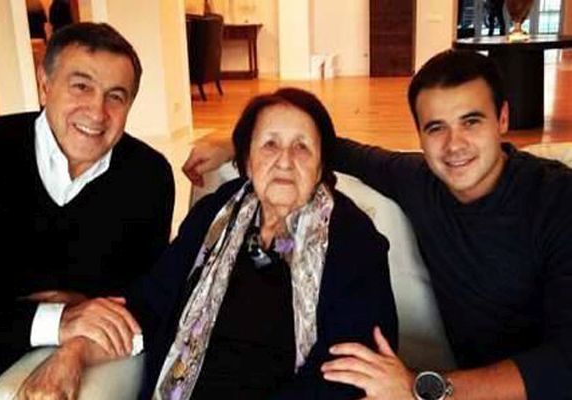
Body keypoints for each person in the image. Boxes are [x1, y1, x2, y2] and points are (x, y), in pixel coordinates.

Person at [182, 50, 572, 399]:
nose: (454, 145)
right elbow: (337, 148)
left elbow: (566, 361)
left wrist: (426, 388)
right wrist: (239, 143)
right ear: (419, 135)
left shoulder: (557, 199)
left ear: (503, 118)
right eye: (436, 127)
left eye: (471, 121)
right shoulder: (419, 179)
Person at [18, 88, 398, 400]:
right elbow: (151, 303)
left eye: (302, 147)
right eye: (269, 144)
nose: (284, 161)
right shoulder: (215, 213)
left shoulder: (353, 237)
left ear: (321, 166)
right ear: (247, 160)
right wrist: (75, 353)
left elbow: (350, 369)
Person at [0, 22, 174, 388]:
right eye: (81, 86)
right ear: (45, 84)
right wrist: (60, 317)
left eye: (116, 96)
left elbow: (140, 299)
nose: (97, 112)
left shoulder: (149, 176)